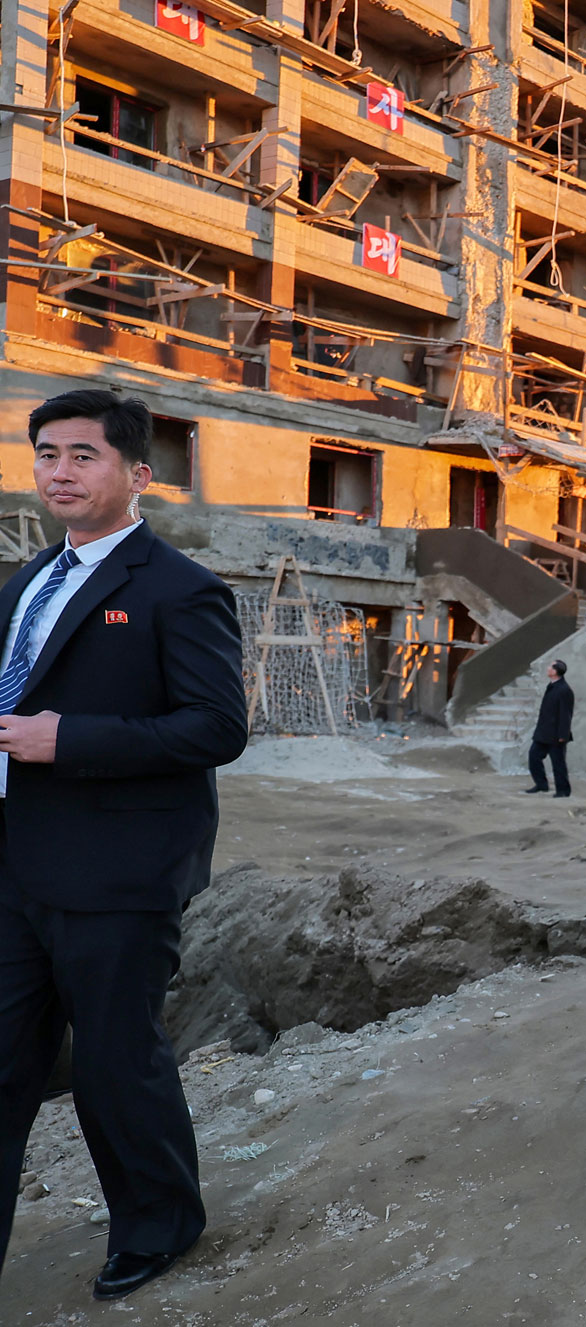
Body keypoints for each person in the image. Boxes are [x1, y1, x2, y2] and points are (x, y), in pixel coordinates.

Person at [0, 390, 248, 1300]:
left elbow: (217, 727)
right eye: (47, 454)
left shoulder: (180, 588)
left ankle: (160, 1226)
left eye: (83, 456)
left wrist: (71, 738)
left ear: (137, 475)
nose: (59, 472)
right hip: (18, 865)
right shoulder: (29, 580)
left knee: (113, 1068)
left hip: (120, 873)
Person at [522, 659, 574, 797]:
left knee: (558, 764)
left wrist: (563, 734)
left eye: (550, 666)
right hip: (543, 733)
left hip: (556, 735)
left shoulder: (564, 690)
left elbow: (566, 714)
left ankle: (563, 791)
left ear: (555, 671)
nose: (547, 668)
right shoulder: (551, 686)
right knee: (534, 757)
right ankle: (541, 785)